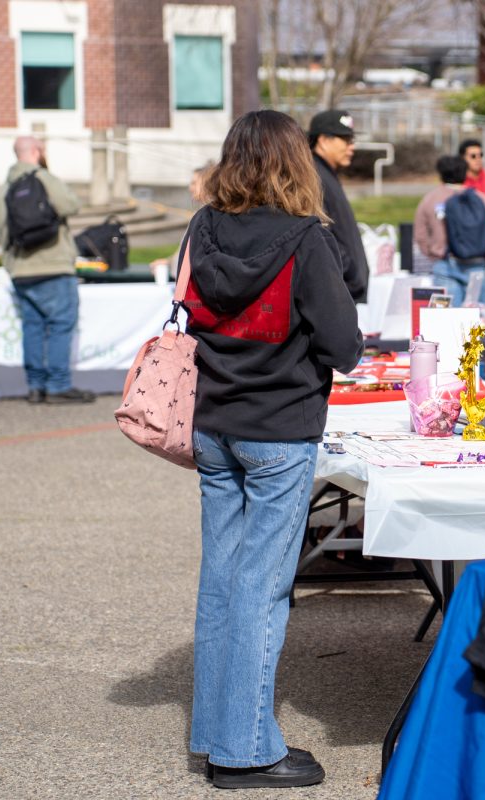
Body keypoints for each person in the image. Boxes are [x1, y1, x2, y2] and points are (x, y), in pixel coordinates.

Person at [181, 110, 362, 789]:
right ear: (295, 162)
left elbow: (191, 309)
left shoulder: (203, 228)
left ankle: (216, 732)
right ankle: (245, 748)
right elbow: (344, 344)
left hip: (217, 422)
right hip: (278, 429)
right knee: (261, 586)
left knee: (223, 581)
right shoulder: (303, 238)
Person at [0, 135, 93, 404]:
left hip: (20, 268)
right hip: (53, 265)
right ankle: (59, 386)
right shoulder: (43, 177)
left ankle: (35, 386)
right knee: (61, 324)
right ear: (37, 151)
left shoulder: (4, 187)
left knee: (33, 326)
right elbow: (71, 204)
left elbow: (2, 229)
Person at [413, 155, 485, 305]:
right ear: (465, 173)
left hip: (444, 265)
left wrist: (433, 253)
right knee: (478, 321)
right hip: (477, 264)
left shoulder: (430, 199)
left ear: (440, 174)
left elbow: (420, 235)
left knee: (446, 320)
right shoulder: (479, 198)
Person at [309, 109, 369, 302]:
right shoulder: (313, 176)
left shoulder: (326, 173)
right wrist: (349, 272)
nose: (352, 147)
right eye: (346, 140)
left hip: (346, 292)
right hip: (335, 295)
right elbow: (320, 237)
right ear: (324, 140)